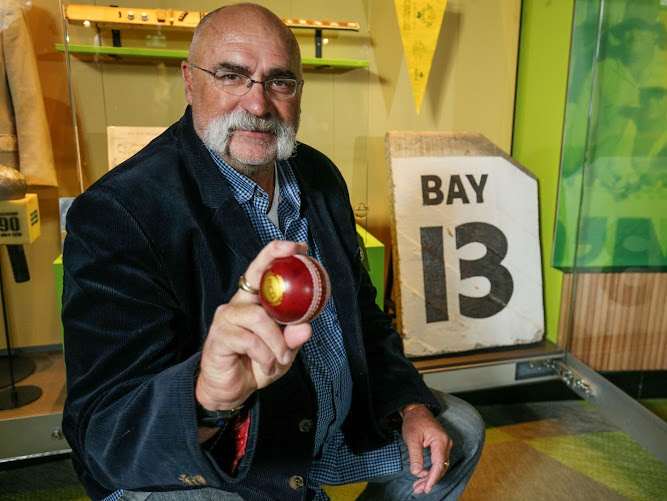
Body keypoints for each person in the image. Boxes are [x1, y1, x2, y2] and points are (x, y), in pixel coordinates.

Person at [61, 4, 485, 501]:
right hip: (224, 460)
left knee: (458, 431)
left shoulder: (320, 177)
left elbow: (365, 316)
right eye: (232, 75)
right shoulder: (120, 211)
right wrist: (206, 398)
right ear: (189, 81)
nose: (258, 105)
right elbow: (104, 433)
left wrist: (409, 406)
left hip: (326, 433)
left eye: (279, 82)